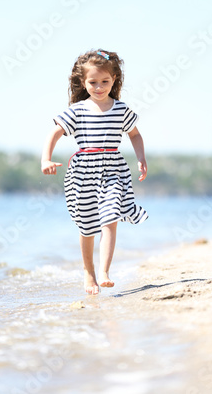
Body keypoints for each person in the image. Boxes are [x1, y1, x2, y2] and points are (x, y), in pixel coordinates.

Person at [41, 49, 148, 295]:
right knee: (87, 227)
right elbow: (55, 133)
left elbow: (135, 134)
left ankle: (104, 272)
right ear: (83, 82)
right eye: (93, 82)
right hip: (82, 173)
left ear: (114, 80)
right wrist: (45, 159)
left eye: (105, 82)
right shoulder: (77, 110)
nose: (99, 87)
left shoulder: (121, 109)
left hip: (113, 170)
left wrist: (141, 158)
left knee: (111, 217)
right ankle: (89, 274)